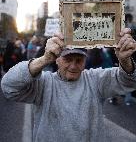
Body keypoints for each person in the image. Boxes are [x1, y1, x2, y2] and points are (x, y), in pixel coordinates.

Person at [1, 28, 136, 142]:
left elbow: (129, 80)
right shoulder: (45, 82)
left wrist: (125, 61)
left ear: (85, 60)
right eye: (68, 59)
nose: (73, 66)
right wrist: (44, 59)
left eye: (79, 60)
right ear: (57, 60)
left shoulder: (95, 79)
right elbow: (9, 86)